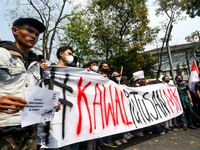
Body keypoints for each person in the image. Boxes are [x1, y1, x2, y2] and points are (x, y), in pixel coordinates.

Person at [0, 17, 50, 150]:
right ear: (15, 30)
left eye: (37, 34)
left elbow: (34, 94)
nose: (34, 36)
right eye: (29, 31)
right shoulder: (1, 54)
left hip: (30, 129)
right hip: (4, 130)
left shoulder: (36, 65)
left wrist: (49, 104)